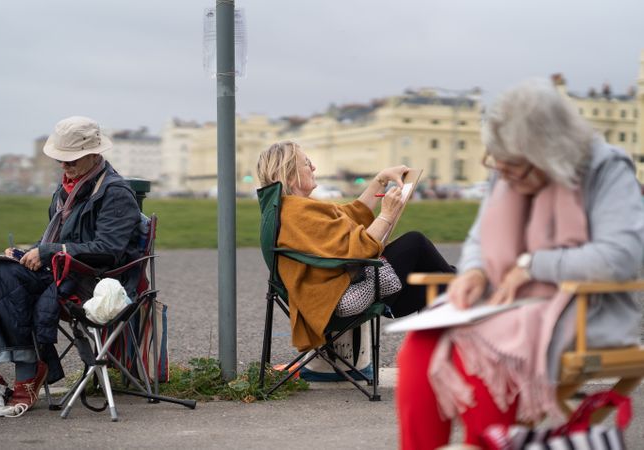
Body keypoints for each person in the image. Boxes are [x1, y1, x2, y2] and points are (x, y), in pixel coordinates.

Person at [396, 79, 644, 449]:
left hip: (582, 308)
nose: (504, 175)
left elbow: (621, 257)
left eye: (515, 168)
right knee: (419, 347)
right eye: (500, 165)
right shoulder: (510, 163)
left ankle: (490, 442)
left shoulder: (605, 168)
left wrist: (533, 266)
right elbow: (480, 239)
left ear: (550, 154)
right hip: (507, 303)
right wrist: (477, 271)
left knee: (482, 354)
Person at [0, 116, 142, 412]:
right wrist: (26, 252)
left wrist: (48, 251)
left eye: (71, 160)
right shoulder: (65, 191)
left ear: (94, 154)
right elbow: (54, 240)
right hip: (61, 272)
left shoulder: (115, 193)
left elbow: (108, 251)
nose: (65, 166)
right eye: (61, 160)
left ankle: (22, 372)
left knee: (2, 279)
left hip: (93, 281)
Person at [256, 141, 454, 352]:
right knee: (416, 243)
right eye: (307, 163)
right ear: (289, 174)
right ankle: (461, 290)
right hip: (338, 298)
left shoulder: (293, 208)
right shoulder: (297, 213)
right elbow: (359, 249)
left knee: (436, 283)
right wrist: (386, 215)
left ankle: (432, 349)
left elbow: (351, 215)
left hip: (335, 289)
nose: (313, 168)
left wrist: (381, 179)